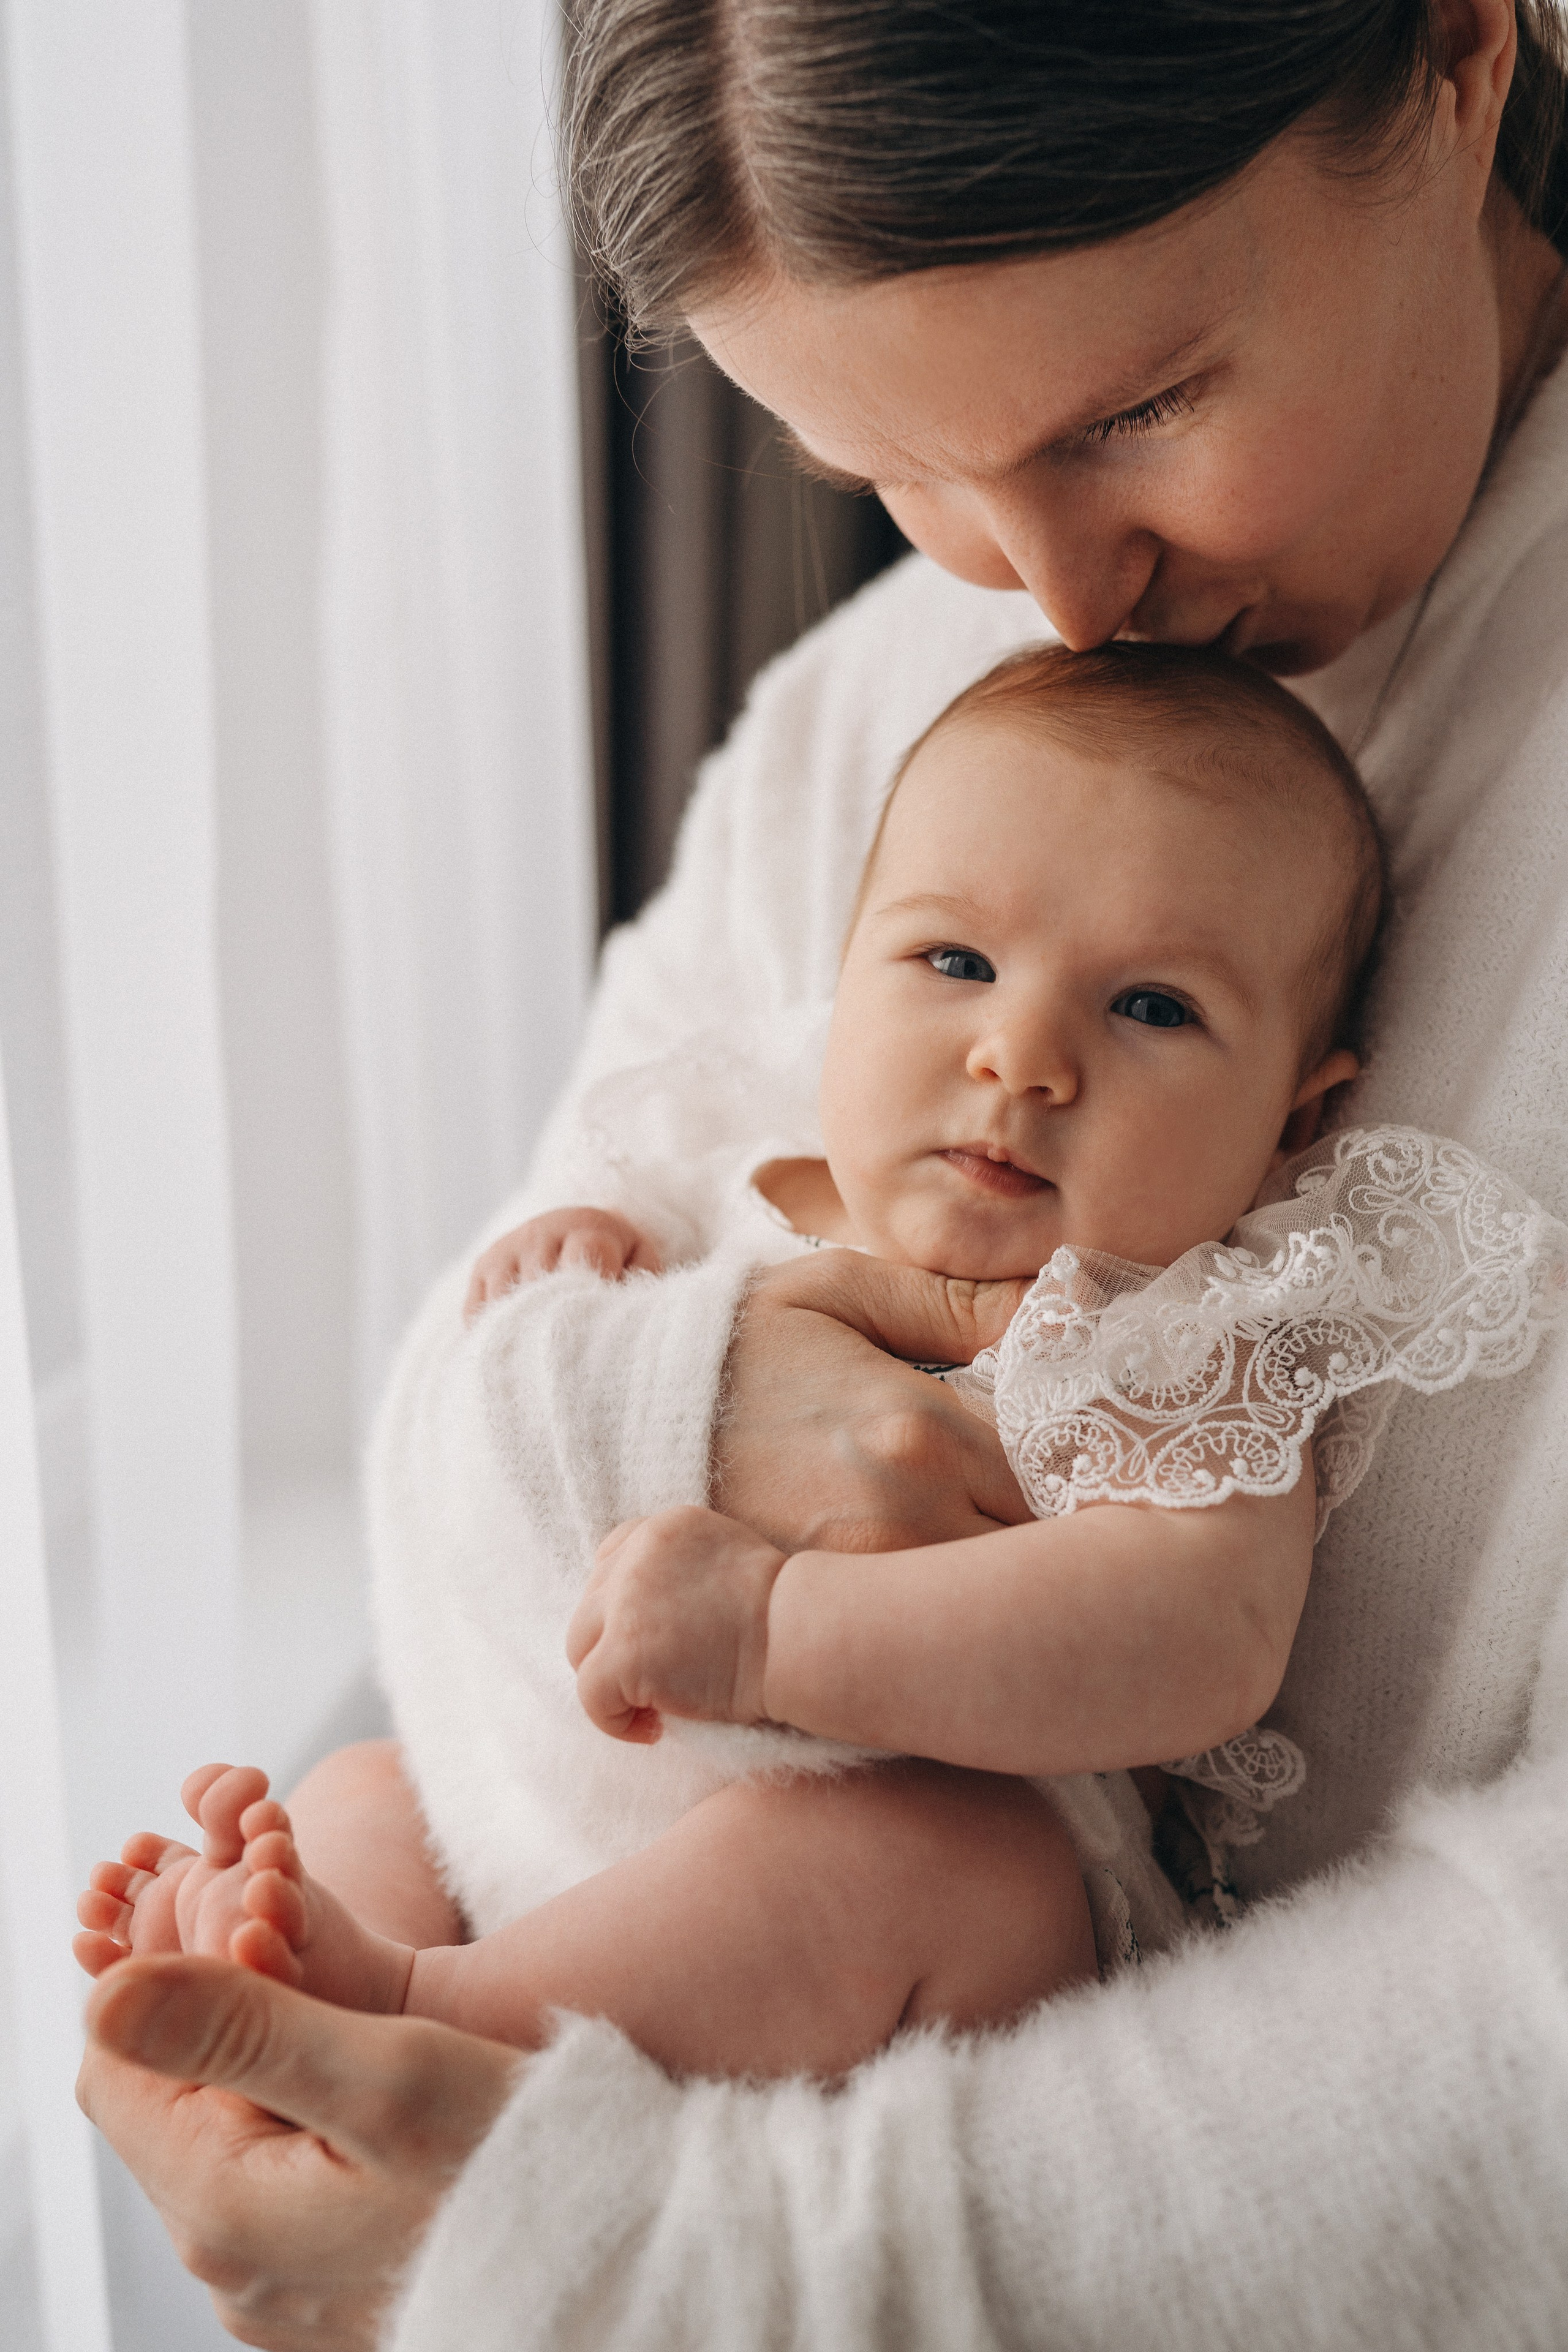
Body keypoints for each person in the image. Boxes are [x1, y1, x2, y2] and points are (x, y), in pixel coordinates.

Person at [78, 1, 1568, 2344]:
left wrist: (680, 2260)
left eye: (1137, 409)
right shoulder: (871, 715)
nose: (1055, 603)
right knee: (340, 1791)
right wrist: (648, 1393)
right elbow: (459, 1439)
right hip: (594, 1861)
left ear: (1466, 59)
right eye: (901, 469)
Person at [89, 644, 1567, 2076]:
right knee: (367, 1786)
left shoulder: (1167, 1333)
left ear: (1294, 1125)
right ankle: (305, 1962)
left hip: (880, 1902)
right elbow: (527, 1393)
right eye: (954, 959)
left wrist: (775, 1634)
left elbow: (1200, 1636)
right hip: (564, 1812)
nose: (1020, 1055)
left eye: (1152, 1008)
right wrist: (578, 1249)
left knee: (940, 1863)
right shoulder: (722, 1159)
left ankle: (432, 2015)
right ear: (844, 972)